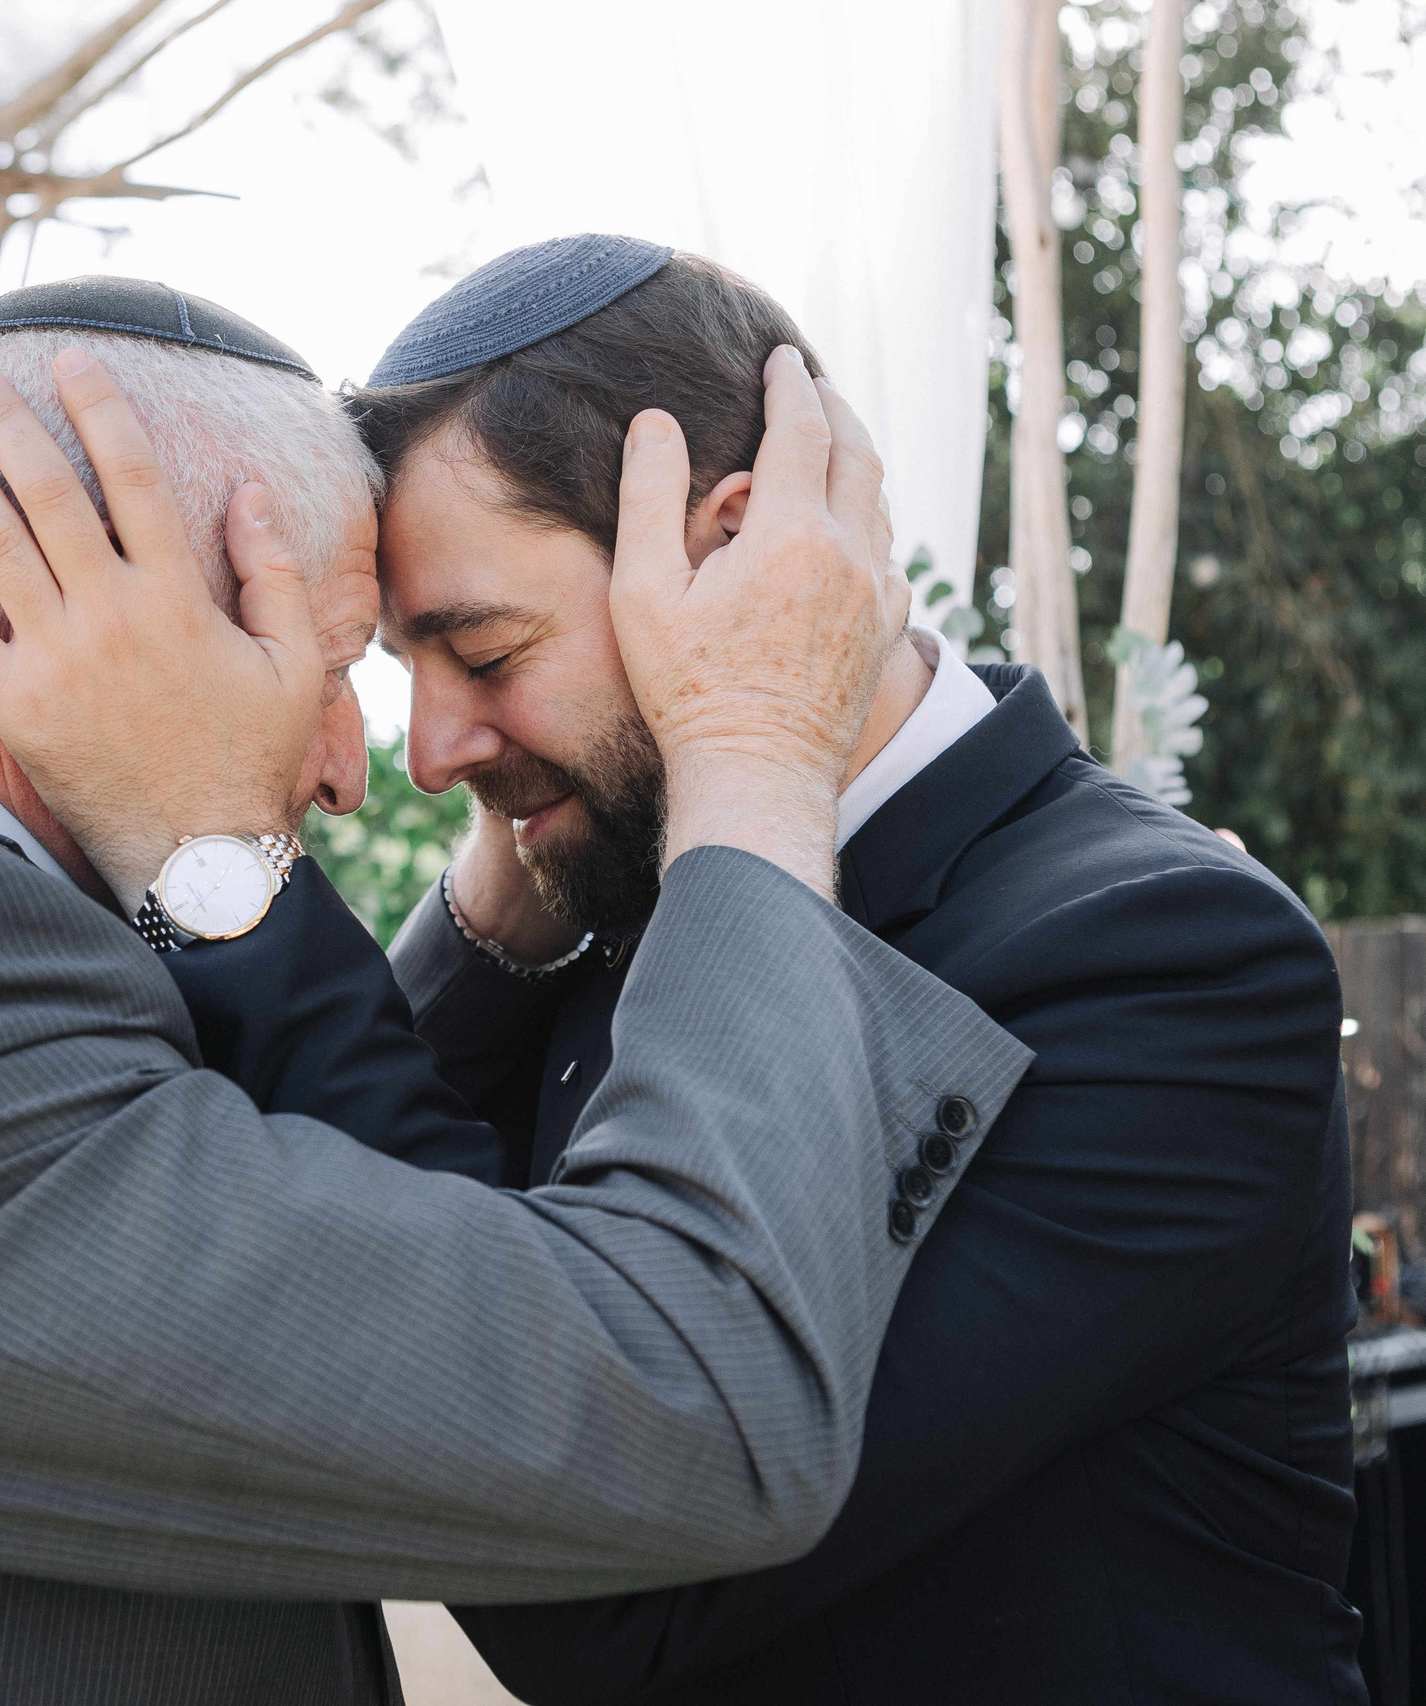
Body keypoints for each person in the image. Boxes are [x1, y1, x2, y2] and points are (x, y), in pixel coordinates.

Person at [0, 276, 1030, 1705]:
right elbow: (682, 1402)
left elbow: (322, 1224)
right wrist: (747, 751)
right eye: (342, 663)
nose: (369, 767)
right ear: (147, 610)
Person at [304, 237, 1364, 1703]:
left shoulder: (1173, 959)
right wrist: (517, 852)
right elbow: (330, 1220)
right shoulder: (628, 886)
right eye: (403, 672)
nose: (425, 754)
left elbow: (614, 1578)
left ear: (732, 546)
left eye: (481, 650)